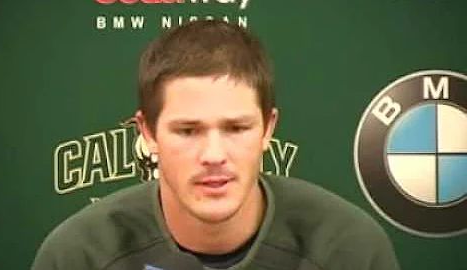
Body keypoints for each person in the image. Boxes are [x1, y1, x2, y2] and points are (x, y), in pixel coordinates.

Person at [32, 20, 400, 270]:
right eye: (188, 131)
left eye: (237, 128)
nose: (213, 156)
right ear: (147, 133)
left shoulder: (349, 249)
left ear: (268, 128)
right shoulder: (78, 255)